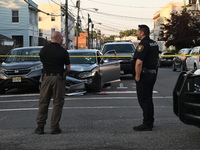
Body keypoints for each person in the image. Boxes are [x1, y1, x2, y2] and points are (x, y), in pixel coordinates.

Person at [35, 31, 70, 134]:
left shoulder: (43, 50)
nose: (63, 39)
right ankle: (54, 127)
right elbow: (68, 68)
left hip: (46, 78)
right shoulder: (63, 51)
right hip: (58, 78)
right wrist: (62, 72)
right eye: (62, 38)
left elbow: (43, 62)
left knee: (43, 102)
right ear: (59, 38)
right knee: (57, 103)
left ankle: (40, 127)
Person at [133, 25, 159, 131]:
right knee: (148, 98)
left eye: (138, 31)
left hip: (145, 75)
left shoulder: (143, 45)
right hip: (152, 73)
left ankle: (147, 124)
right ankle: (149, 121)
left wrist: (137, 76)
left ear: (142, 33)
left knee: (144, 99)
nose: (137, 33)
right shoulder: (154, 43)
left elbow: (139, 62)